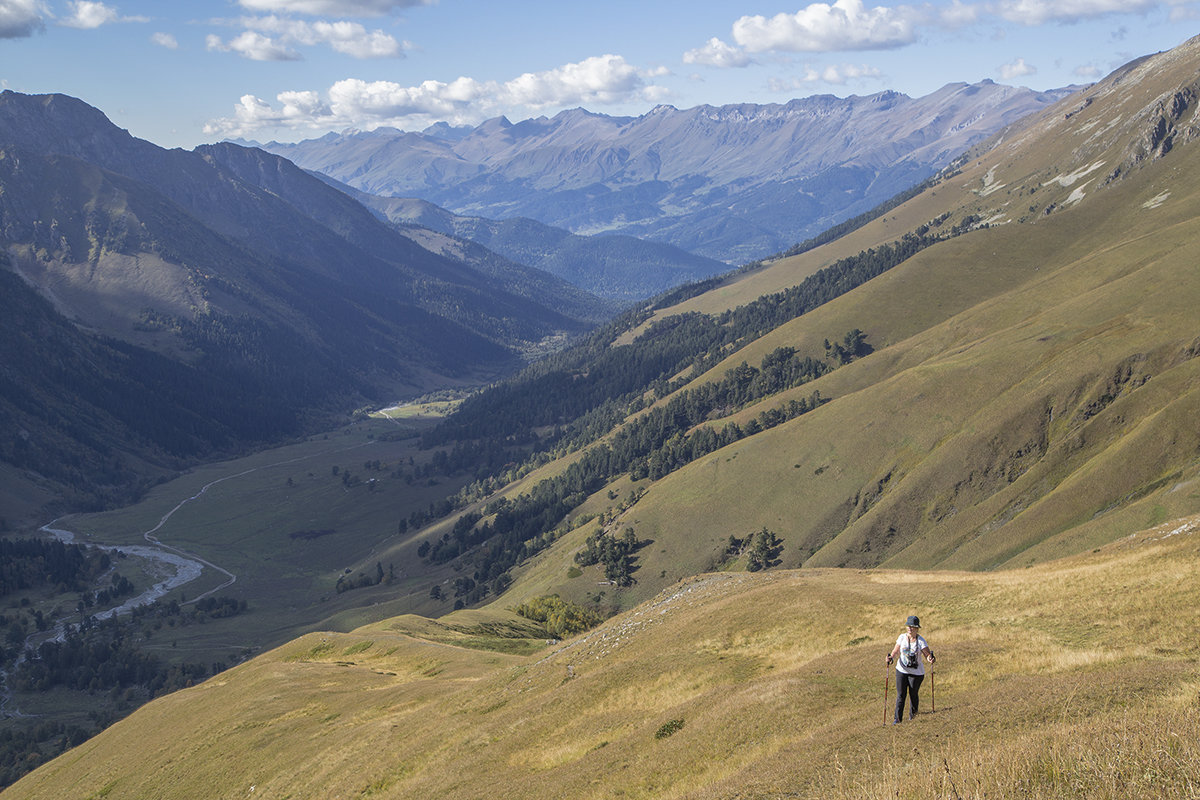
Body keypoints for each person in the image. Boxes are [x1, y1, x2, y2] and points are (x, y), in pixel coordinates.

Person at [886, 615, 935, 723]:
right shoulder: (902, 637)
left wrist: (930, 658)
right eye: (908, 626)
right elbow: (895, 651)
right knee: (901, 695)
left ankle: (913, 717)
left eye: (912, 626)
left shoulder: (921, 641)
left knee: (913, 694)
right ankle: (897, 720)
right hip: (901, 670)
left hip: (916, 673)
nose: (909, 628)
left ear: (917, 628)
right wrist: (891, 658)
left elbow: (927, 654)